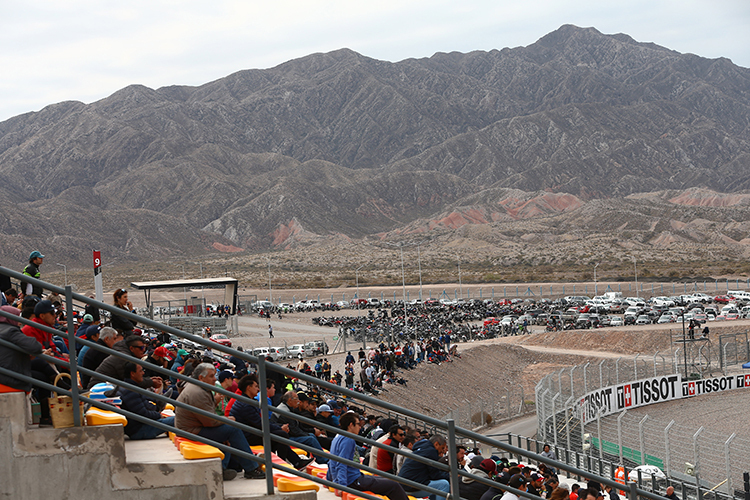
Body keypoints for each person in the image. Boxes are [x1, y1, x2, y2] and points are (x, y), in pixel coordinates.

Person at [175, 362, 264, 480]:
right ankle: (251, 468)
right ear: (201, 378)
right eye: (211, 376)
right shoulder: (198, 393)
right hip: (191, 431)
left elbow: (208, 416)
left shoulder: (198, 388)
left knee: (227, 432)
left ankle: (225, 467)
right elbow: (210, 421)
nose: (214, 379)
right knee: (233, 429)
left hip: (193, 427)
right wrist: (227, 420)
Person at [229, 374, 313, 470]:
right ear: (248, 388)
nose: (258, 389)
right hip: (247, 435)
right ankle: (282, 465)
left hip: (250, 432)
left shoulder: (246, 401)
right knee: (281, 435)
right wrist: (280, 428)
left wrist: (279, 427)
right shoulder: (246, 404)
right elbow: (261, 424)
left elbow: (261, 422)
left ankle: (294, 462)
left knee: (279, 435)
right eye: (256, 386)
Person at [328, 411, 409, 500]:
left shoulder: (338, 436)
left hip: (352, 477)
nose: (360, 427)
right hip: (353, 480)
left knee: (387, 481)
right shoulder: (348, 440)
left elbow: (331, 460)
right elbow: (341, 462)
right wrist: (341, 486)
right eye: (358, 424)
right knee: (394, 485)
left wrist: (330, 478)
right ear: (351, 425)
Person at [118, 362, 174, 439]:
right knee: (177, 419)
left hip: (139, 427)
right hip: (140, 431)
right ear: (132, 374)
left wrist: (156, 411)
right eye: (140, 371)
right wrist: (159, 415)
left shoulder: (130, 387)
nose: (143, 373)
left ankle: (159, 402)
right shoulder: (130, 391)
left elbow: (143, 405)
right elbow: (143, 414)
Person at [271, 390, 329, 464]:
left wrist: (311, 432)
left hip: (288, 435)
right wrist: (308, 434)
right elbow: (294, 431)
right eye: (296, 399)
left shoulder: (289, 408)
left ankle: (321, 458)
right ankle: (323, 461)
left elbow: (297, 427)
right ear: (290, 400)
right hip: (286, 436)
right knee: (310, 439)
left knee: (311, 436)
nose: (298, 401)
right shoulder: (285, 412)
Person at [87, 335, 163, 390]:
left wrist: (149, 380)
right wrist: (151, 382)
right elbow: (131, 381)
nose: (144, 350)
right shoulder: (124, 358)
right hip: (99, 390)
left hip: (106, 387)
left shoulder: (124, 355)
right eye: (141, 348)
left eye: (145, 347)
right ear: (131, 348)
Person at [0, 305, 43, 391]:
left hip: (6, 374)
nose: (20, 322)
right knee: (42, 374)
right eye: (17, 317)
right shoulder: (10, 331)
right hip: (10, 379)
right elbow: (36, 346)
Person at [398, 435, 452, 500]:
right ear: (436, 444)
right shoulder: (431, 451)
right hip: (410, 488)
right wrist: (451, 476)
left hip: (403, 485)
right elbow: (435, 475)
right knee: (444, 484)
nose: (443, 451)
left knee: (437, 484)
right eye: (442, 448)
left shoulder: (423, 448)